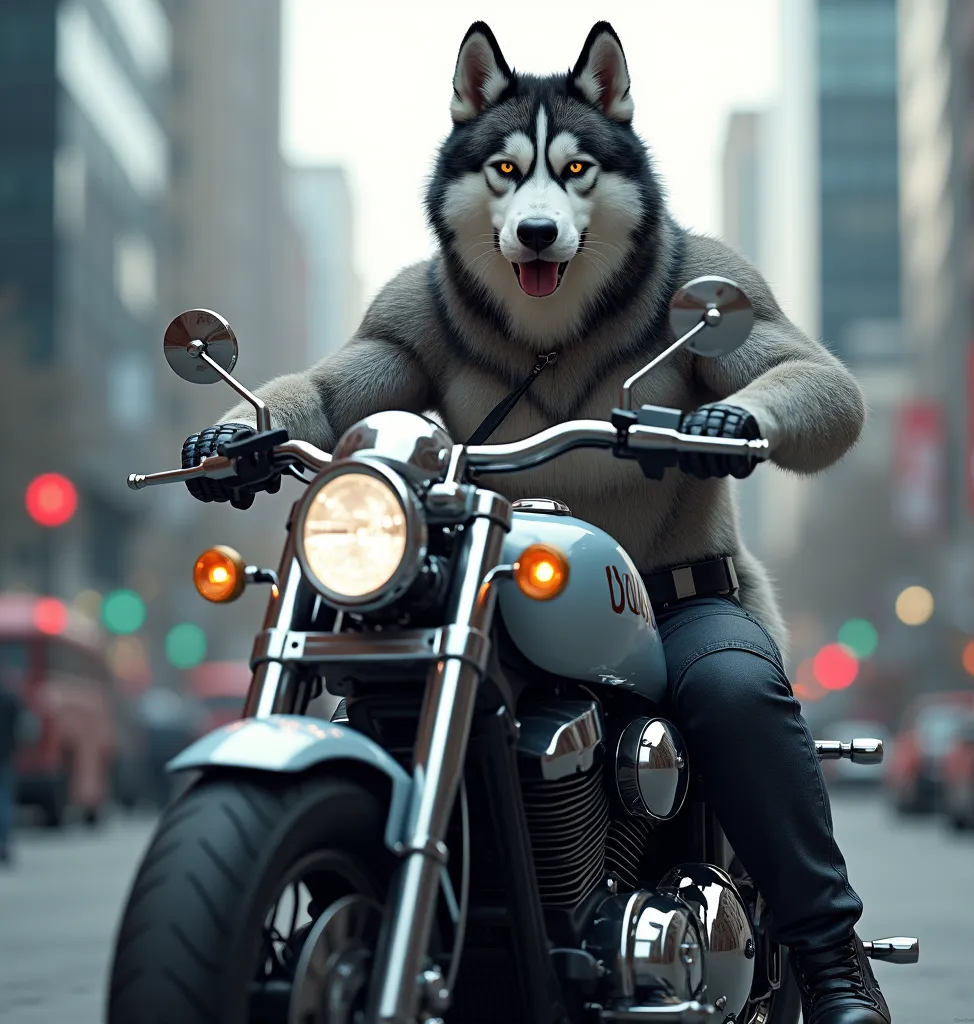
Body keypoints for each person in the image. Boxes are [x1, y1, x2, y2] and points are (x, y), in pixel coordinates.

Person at [177, 21, 894, 1023]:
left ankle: (827, 955)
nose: (539, 208)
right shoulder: (431, 305)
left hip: (676, 599)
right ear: (471, 179)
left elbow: (825, 393)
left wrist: (747, 414)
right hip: (495, 599)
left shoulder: (692, 283)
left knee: (734, 693)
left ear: (620, 178)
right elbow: (337, 389)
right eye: (509, 173)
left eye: (575, 173)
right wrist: (248, 427)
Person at [0, 676, 27, 865]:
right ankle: (3, 842)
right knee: (4, 799)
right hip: (6, 754)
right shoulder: (10, 698)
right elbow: (24, 726)